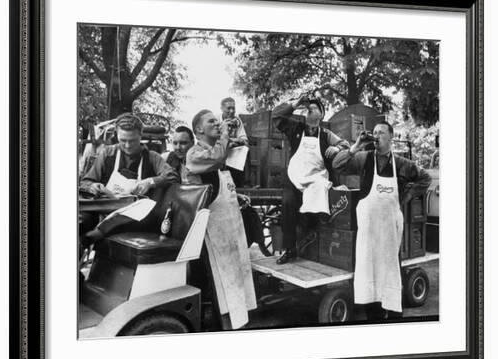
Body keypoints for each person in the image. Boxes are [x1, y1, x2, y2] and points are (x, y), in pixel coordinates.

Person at [333, 121, 431, 321]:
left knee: (390, 274)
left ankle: (395, 317)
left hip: (389, 235)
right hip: (369, 235)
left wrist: (406, 196)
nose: (376, 135)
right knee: (370, 276)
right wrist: (355, 146)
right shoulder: (363, 158)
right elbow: (337, 165)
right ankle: (374, 318)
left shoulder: (403, 164)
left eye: (381, 132)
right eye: (374, 132)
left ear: (391, 137)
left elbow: (425, 179)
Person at [185, 109, 257, 330]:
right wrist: (225, 134)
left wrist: (236, 194)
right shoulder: (195, 154)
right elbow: (216, 159)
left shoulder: (217, 150)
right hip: (211, 231)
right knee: (219, 284)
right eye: (212, 122)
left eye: (218, 121)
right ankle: (223, 331)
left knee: (235, 277)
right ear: (199, 129)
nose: (218, 124)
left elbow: (218, 181)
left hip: (229, 226)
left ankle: (238, 323)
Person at [79, 113, 178, 244]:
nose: (127, 145)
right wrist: (93, 187)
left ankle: (99, 233)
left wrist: (150, 182)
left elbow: (172, 176)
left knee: (144, 208)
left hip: (133, 214)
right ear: (117, 136)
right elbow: (86, 182)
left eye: (132, 141)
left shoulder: (151, 157)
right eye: (122, 140)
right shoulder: (108, 153)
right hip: (105, 207)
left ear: (140, 136)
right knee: (80, 222)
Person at [272, 96, 349, 264]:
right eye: (307, 109)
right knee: (288, 203)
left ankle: (313, 239)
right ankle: (289, 249)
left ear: (321, 114)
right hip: (295, 177)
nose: (309, 111)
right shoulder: (295, 128)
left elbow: (346, 146)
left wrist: (336, 148)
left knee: (318, 202)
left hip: (316, 178)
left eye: (313, 108)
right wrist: (295, 104)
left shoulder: (327, 135)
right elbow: (276, 117)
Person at [219, 97, 249, 187]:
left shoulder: (237, 120)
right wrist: (229, 141)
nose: (232, 111)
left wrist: (232, 141)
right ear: (222, 108)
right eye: (228, 108)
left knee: (246, 149)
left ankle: (243, 183)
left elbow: (244, 140)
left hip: (232, 149)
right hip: (220, 149)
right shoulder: (216, 119)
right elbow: (214, 138)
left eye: (233, 108)